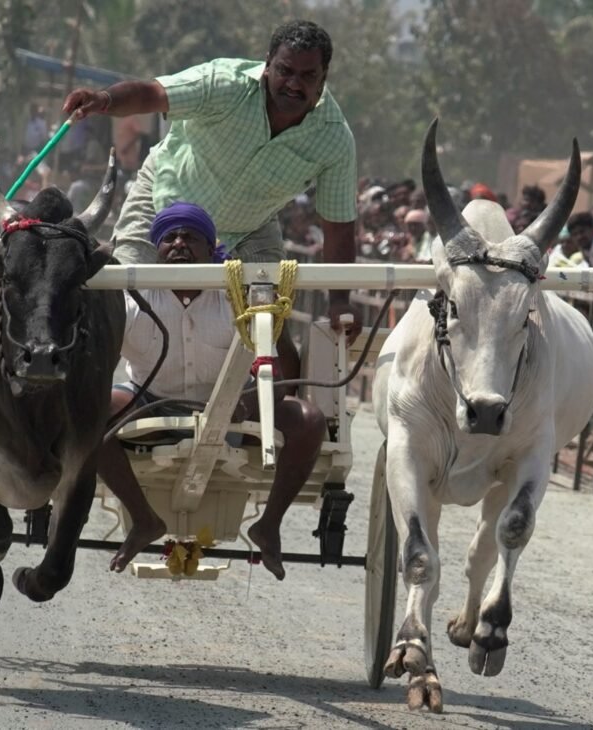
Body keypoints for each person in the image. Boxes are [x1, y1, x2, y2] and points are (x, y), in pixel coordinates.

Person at [62, 20, 360, 341]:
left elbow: (338, 224)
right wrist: (105, 99)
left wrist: (340, 301)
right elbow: (153, 93)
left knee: (269, 324)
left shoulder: (335, 138)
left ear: (323, 77)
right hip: (162, 200)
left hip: (247, 229)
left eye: (307, 76)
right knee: (118, 298)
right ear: (267, 65)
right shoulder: (224, 83)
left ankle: (275, 392)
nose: (293, 84)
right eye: (285, 70)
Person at [96, 202, 326, 580]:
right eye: (169, 237)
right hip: (148, 400)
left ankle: (268, 526)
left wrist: (247, 403)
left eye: (191, 237)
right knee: (92, 412)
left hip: (234, 406)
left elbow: (282, 374)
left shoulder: (242, 298)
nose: (179, 243)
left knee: (309, 420)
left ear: (210, 248)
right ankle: (143, 520)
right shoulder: (131, 299)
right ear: (157, 249)